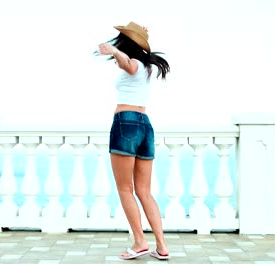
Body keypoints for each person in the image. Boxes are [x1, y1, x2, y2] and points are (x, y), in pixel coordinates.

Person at [97, 21, 170, 260]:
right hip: (144, 125)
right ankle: (161, 246)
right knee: (144, 191)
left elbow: (127, 64)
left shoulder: (136, 65)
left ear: (125, 44)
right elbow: (130, 64)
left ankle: (140, 242)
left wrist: (114, 52)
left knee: (125, 188)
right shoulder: (147, 67)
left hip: (125, 122)